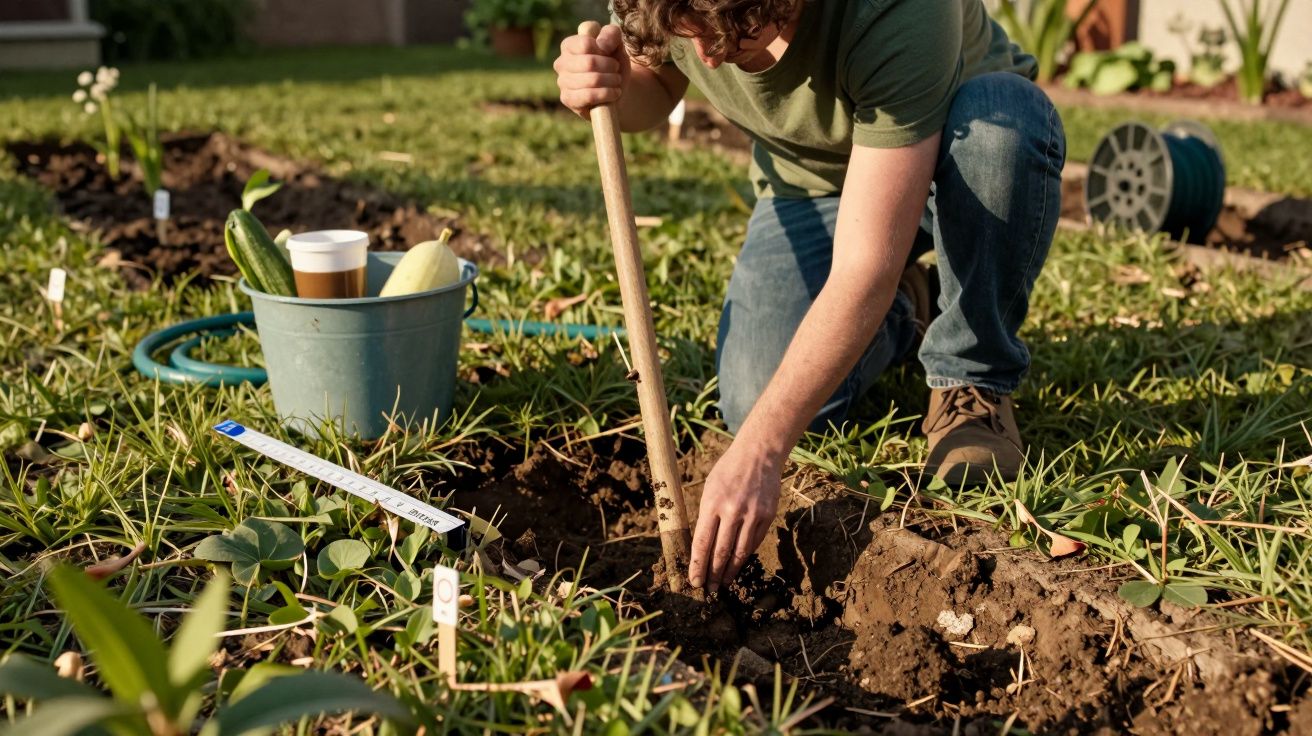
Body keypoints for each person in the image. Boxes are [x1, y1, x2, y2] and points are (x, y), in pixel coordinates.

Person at [553, 0, 1065, 593]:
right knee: (753, 399)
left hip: (964, 154)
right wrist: (603, 83)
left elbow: (864, 263)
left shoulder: (898, 11)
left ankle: (971, 379)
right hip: (815, 187)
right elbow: (655, 86)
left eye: (731, 34)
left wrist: (763, 453)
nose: (711, 58)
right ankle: (908, 311)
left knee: (1005, 121)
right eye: (689, 37)